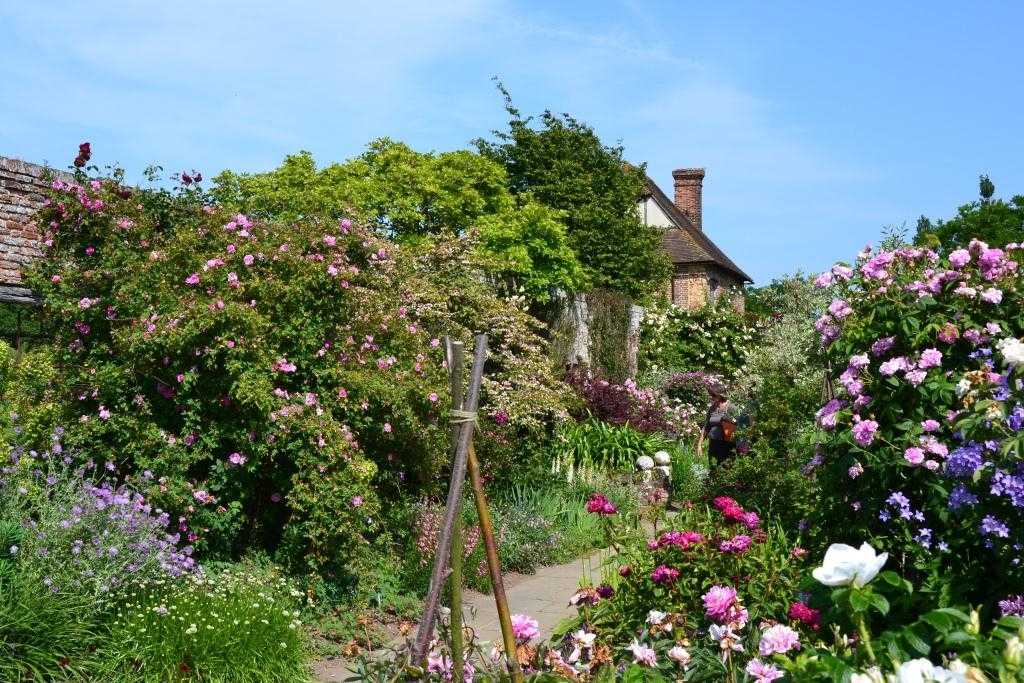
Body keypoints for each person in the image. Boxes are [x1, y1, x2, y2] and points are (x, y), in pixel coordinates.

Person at [699, 387, 736, 466]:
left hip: (727, 444)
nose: (711, 397)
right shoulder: (712, 408)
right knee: (713, 468)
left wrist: (729, 421)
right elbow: (706, 426)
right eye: (711, 395)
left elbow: (738, 424)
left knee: (726, 468)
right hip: (713, 443)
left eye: (713, 395)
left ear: (720, 395)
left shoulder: (731, 407)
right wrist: (700, 444)